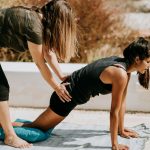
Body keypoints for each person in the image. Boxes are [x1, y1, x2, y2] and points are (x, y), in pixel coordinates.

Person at [13, 37, 150, 150]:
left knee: (39, 127)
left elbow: (122, 103)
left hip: (68, 96)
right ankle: (6, 126)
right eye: (148, 61)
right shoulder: (120, 74)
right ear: (137, 59)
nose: (149, 66)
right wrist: (115, 145)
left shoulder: (123, 68)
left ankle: (8, 125)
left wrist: (121, 130)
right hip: (65, 98)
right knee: (37, 129)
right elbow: (113, 111)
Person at [0, 0, 77, 148]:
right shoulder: (34, 27)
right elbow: (40, 63)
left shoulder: (38, 20)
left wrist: (61, 76)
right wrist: (56, 87)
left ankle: (3, 126)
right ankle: (10, 136)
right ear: (58, 20)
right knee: (1, 88)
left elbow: (48, 52)